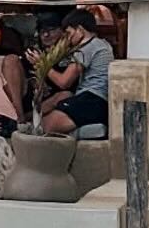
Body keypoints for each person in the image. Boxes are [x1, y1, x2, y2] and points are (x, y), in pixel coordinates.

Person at [39, 9, 113, 137]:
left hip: (91, 99)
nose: (68, 39)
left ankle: (84, 132)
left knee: (46, 124)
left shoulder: (87, 47)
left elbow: (64, 82)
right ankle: (88, 130)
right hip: (100, 101)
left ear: (80, 30)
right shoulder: (103, 44)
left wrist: (42, 64)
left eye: (69, 33)